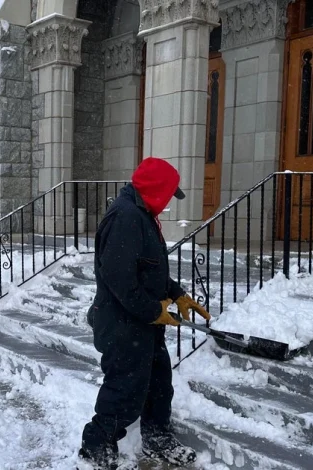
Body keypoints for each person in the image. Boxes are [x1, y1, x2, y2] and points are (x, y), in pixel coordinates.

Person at [78, 157, 211, 469]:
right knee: (124, 389)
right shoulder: (126, 218)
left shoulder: (141, 214)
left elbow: (146, 270)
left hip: (142, 324)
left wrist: (176, 294)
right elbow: (119, 279)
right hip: (123, 324)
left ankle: (157, 436)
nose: (168, 203)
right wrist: (155, 310)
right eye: (168, 195)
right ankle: (95, 448)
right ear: (154, 190)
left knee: (158, 384)